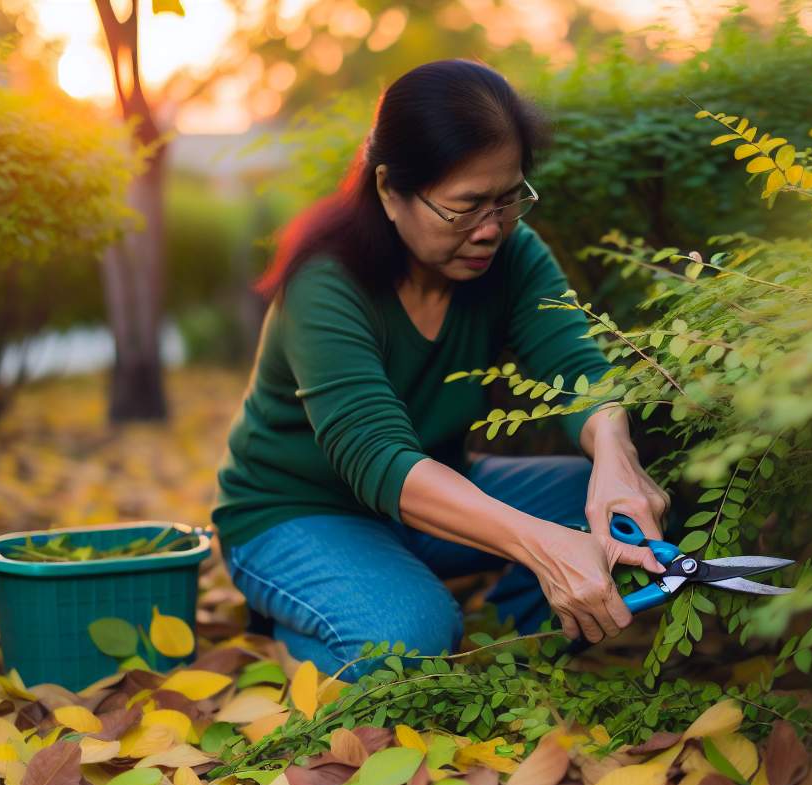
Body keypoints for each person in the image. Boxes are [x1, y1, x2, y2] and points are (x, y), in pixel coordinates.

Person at [213, 59, 671, 680]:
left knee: (601, 514)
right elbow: (374, 455)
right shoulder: (326, 282)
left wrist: (618, 463)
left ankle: (510, 656)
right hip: (294, 510)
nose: (491, 230)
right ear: (388, 191)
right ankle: (294, 632)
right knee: (412, 637)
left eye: (509, 199)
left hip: (429, 503)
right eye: (465, 207)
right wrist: (539, 544)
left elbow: (577, 370)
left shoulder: (513, 255)